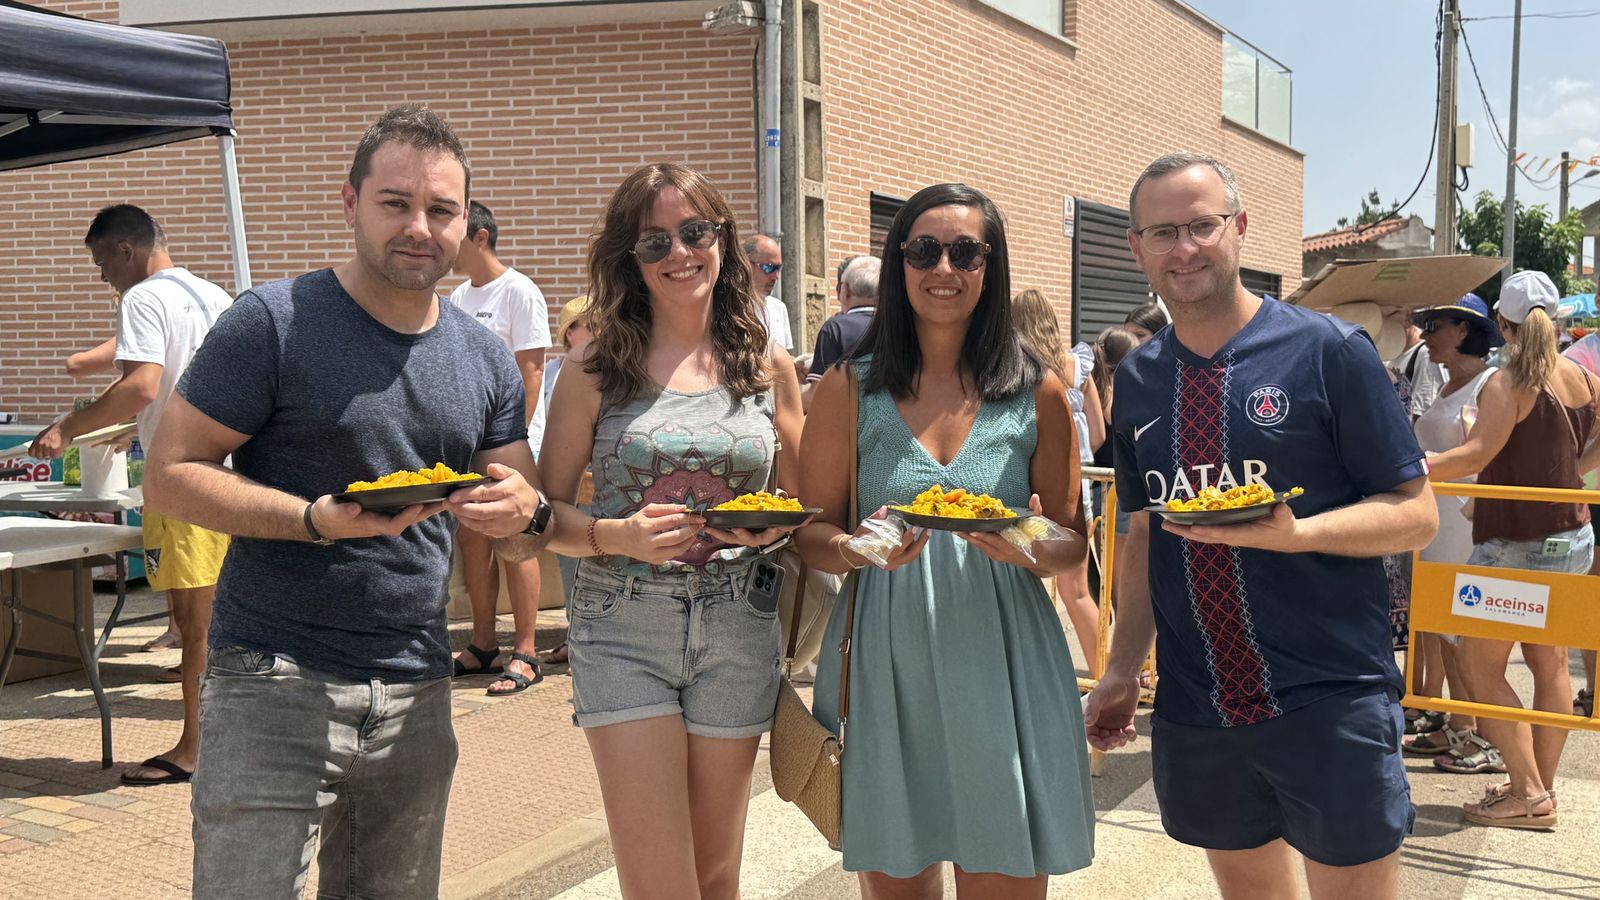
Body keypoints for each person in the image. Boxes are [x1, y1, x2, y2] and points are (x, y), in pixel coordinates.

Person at [142, 105, 554, 899]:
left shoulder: (486, 361)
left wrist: (520, 515)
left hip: (416, 685)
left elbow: (522, 522)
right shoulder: (274, 321)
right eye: (395, 203)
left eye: (440, 210)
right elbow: (170, 473)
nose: (419, 228)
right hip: (272, 677)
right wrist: (310, 519)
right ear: (350, 201)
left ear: (466, 222)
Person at [1085, 152, 1438, 900]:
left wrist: (1301, 534)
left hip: (1330, 694)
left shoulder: (1328, 353)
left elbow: (1415, 514)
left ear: (1240, 228)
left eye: (1203, 226)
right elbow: (1144, 534)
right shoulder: (1140, 378)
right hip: (1199, 703)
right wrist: (1121, 669)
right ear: (1136, 248)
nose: (1185, 248)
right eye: (1163, 232)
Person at [799, 183, 1095, 898]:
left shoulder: (1038, 391)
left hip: (1006, 658)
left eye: (967, 252)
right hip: (885, 656)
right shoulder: (850, 386)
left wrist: (1030, 543)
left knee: (1005, 876)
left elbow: (1070, 542)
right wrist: (852, 549)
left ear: (991, 268)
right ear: (900, 264)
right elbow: (811, 531)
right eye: (925, 250)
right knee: (898, 881)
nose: (944, 268)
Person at [537, 162, 806, 900]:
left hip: (739, 624)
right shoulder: (594, 364)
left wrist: (770, 530)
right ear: (629, 256)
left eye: (695, 232)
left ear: (722, 240)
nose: (679, 253)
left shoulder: (765, 365)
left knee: (717, 874)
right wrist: (613, 536)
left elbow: (805, 500)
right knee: (659, 881)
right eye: (654, 241)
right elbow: (542, 514)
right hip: (623, 624)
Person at [29, 204, 233, 787]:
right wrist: (130, 429)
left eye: (101, 263)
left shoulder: (143, 298)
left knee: (198, 627)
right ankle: (225, 741)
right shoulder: (212, 294)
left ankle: (196, 750)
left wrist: (67, 428)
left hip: (186, 482)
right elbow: (189, 386)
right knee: (223, 623)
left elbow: (142, 384)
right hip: (227, 476)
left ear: (126, 250)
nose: (102, 277)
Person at [1423, 270, 1600, 830]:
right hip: (1573, 537)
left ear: (1502, 323)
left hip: (1512, 544)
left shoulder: (1506, 382)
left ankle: (1527, 792)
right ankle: (1537, 787)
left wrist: (1405, 467)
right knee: (1549, 666)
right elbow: (1587, 454)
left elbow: (1474, 454)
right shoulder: (1583, 378)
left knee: (1479, 665)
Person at [448, 199, 554, 695]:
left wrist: (510, 440)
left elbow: (532, 372)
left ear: (481, 237)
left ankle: (527, 651)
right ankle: (484, 643)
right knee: (473, 541)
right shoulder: (455, 297)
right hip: (466, 445)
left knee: (516, 540)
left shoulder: (519, 291)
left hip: (506, 443)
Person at [1399, 296, 1506, 776]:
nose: (1426, 335)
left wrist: (1409, 465)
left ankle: (1486, 737)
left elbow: (1478, 456)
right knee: (1444, 635)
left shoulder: (1490, 385)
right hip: (1435, 526)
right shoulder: (1445, 387)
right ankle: (1459, 726)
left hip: (1464, 527)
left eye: (1435, 325)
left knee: (1465, 639)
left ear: (1463, 330)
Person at [1012, 287, 1102, 669]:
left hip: (1027, 482)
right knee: (1077, 591)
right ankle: (1106, 673)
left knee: (1017, 585)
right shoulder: (1077, 367)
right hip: (1081, 481)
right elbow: (1098, 432)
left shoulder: (1017, 368)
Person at [803, 255, 880, 411]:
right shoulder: (898, 326)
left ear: (844, 291)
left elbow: (817, 397)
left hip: (849, 424)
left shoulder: (835, 328)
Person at [744, 232, 793, 351]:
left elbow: (785, 356)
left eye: (778, 268)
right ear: (746, 264)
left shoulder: (779, 308)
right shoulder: (729, 308)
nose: (776, 276)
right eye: (769, 267)